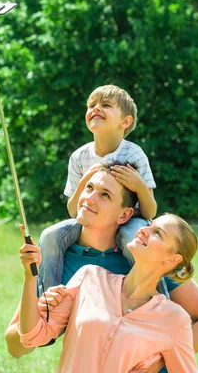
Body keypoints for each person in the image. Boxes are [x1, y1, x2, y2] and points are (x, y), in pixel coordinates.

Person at [6, 164, 198, 371]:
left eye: (105, 195)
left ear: (125, 215)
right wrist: (34, 287)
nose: (90, 198)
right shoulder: (66, 263)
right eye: (89, 187)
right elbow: (19, 344)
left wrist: (155, 363)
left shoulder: (145, 258)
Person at [16, 212, 198, 372]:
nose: (144, 230)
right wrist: (30, 275)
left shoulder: (175, 320)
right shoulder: (89, 278)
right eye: (150, 225)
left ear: (172, 259)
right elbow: (33, 336)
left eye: (158, 233)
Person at [39, 85, 159, 293]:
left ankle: (156, 297)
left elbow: (150, 212)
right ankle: (48, 301)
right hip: (88, 219)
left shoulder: (134, 155)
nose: (95, 109)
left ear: (125, 121)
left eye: (105, 105)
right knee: (50, 236)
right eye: (91, 105)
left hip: (129, 220)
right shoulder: (79, 157)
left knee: (134, 239)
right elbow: (73, 211)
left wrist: (139, 186)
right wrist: (85, 181)